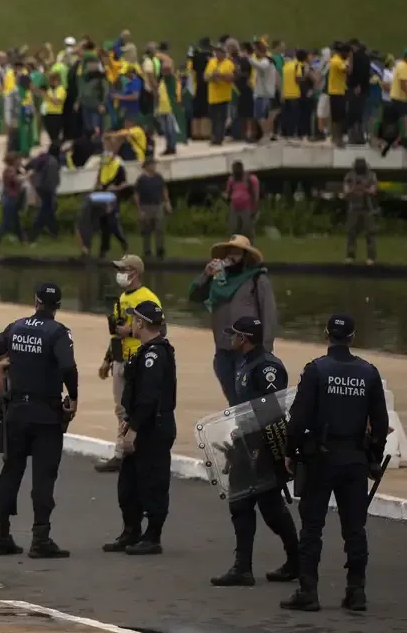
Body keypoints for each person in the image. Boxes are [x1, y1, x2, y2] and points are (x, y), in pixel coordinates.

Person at [281, 314, 389, 612]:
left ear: (326, 334)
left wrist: (290, 452)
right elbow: (380, 423)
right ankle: (356, 592)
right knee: (355, 528)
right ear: (352, 338)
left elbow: (297, 420)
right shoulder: (368, 373)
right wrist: (374, 457)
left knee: (312, 527)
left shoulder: (316, 370)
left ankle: (308, 591)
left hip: (320, 459)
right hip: (354, 458)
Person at [210, 315, 300, 588]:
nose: (231, 338)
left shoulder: (267, 368)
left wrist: (260, 447)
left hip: (262, 446)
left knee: (271, 509)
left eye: (234, 334)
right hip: (244, 442)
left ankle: (296, 560)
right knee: (240, 504)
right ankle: (242, 567)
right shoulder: (244, 362)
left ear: (245, 339)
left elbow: (271, 411)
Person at [0, 282, 76, 559]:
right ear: (58, 306)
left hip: (15, 411)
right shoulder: (58, 333)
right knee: (43, 476)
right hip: (45, 414)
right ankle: (40, 538)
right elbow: (67, 367)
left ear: (35, 301)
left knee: (11, 472)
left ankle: (0, 536)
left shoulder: (16, 326)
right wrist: (73, 397)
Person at [103, 300, 176, 556]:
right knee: (129, 483)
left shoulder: (155, 355)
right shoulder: (145, 351)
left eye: (134, 320)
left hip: (152, 427)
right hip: (139, 423)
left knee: (153, 481)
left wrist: (133, 429)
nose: (131, 324)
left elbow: (149, 397)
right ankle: (131, 530)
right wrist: (126, 419)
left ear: (141, 323)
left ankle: (152, 536)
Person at [188, 235, 279, 403]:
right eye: (229, 252)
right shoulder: (218, 279)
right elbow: (194, 296)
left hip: (248, 350)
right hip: (223, 350)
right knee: (234, 400)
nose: (231, 256)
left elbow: (269, 315)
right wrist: (206, 275)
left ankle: (251, 429)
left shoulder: (257, 279)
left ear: (246, 257)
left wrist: (265, 350)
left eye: (236, 252)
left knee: (249, 399)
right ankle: (240, 428)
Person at [95, 255, 161, 473]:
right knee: (121, 409)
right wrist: (108, 359)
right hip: (121, 359)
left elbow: (159, 329)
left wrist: (130, 330)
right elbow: (116, 333)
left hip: (140, 359)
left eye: (124, 269)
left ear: (135, 272)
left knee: (140, 407)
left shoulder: (148, 298)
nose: (120, 273)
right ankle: (121, 452)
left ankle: (139, 451)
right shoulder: (122, 298)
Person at [341, 157, 377, 264]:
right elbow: (346, 192)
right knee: (351, 233)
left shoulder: (371, 175)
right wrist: (355, 187)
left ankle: (371, 257)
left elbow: (373, 191)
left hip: (367, 208)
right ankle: (350, 256)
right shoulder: (349, 175)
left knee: (370, 233)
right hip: (354, 207)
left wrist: (364, 188)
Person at [133, 158, 170, 260]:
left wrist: (167, 202)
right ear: (147, 166)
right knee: (146, 230)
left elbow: (164, 190)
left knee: (159, 228)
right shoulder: (141, 179)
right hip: (146, 206)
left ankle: (160, 250)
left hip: (157, 205)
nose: (154, 167)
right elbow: (136, 194)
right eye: (152, 165)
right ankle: (147, 251)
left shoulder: (159, 177)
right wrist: (139, 209)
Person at [225, 161, 260, 240]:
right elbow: (228, 193)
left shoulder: (249, 179)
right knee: (234, 228)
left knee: (247, 229)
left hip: (246, 207)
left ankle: (248, 246)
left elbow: (255, 194)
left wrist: (254, 208)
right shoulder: (231, 179)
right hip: (234, 207)